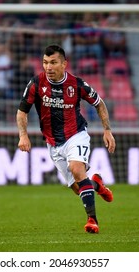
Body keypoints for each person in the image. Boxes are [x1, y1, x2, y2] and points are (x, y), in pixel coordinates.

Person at [16, 44, 116, 233]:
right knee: (78, 188)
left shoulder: (77, 84)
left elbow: (99, 103)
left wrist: (107, 130)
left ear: (64, 64)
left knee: (76, 169)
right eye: (45, 63)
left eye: (53, 63)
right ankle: (96, 184)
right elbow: (22, 112)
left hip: (75, 135)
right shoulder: (36, 84)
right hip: (53, 143)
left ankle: (92, 221)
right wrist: (23, 135)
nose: (48, 67)